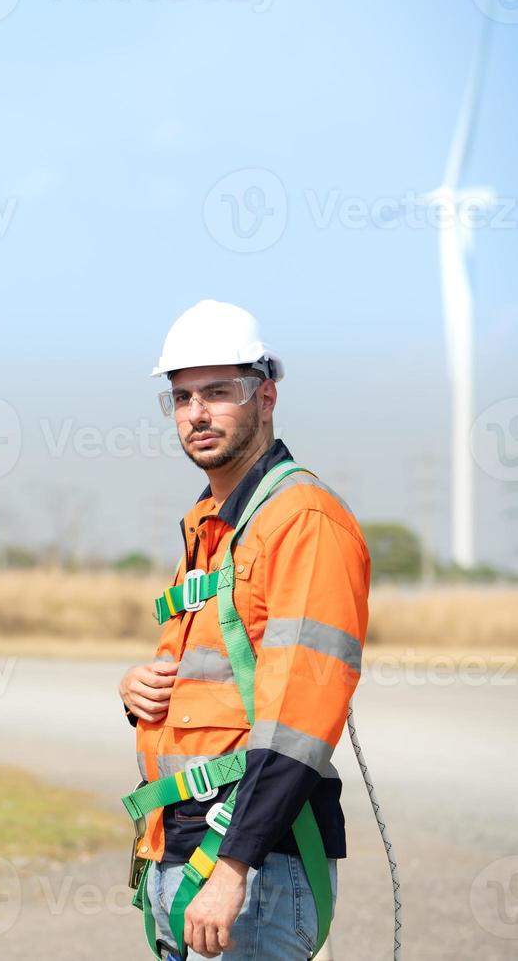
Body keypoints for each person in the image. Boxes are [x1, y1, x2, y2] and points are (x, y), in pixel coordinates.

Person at [119, 300, 370, 960]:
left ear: (266, 396)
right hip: (183, 849)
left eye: (218, 393)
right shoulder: (213, 523)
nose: (197, 413)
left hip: (250, 866)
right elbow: (218, 687)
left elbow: (299, 718)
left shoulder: (302, 519)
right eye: (181, 397)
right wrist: (139, 694)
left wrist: (231, 868)